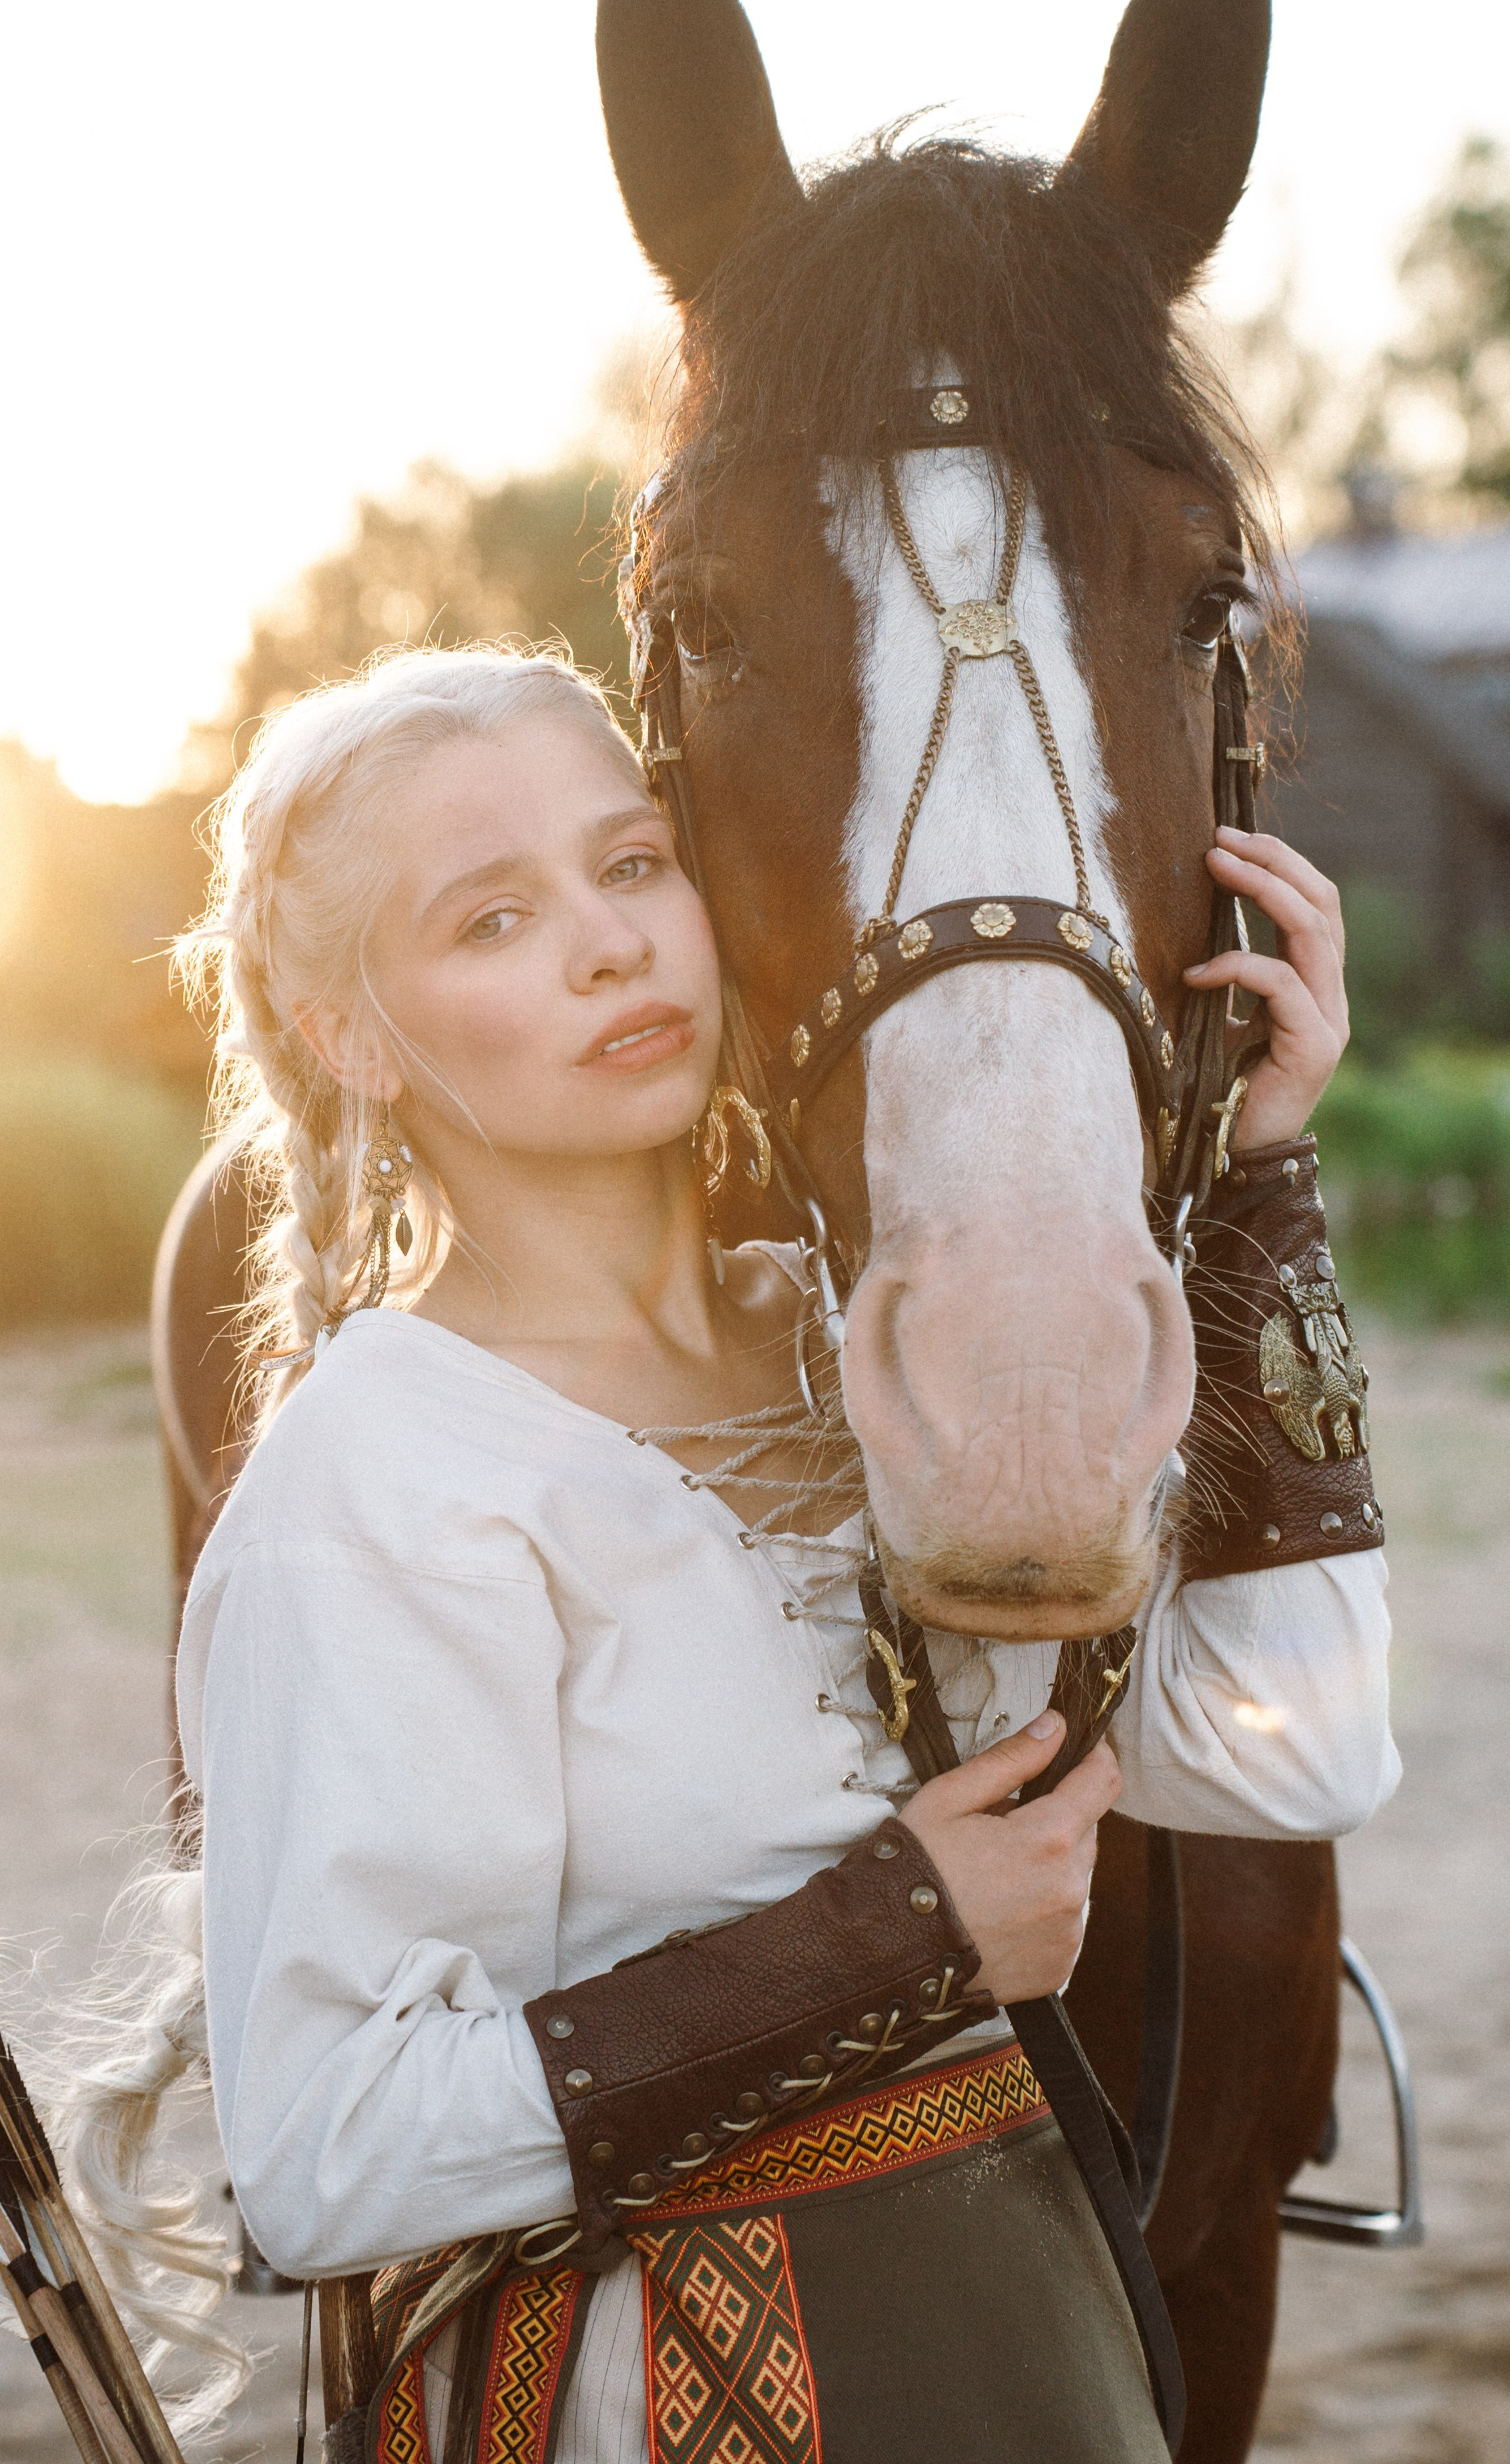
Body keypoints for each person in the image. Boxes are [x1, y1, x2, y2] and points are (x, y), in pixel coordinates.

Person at [161, 642, 1394, 2464]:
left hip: (1035, 2370)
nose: (607, 943)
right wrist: (901, 1941)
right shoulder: (382, 1486)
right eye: (494, 920)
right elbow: (326, 2149)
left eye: (634, 862)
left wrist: (1258, 1177)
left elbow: (1306, 1740)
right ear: (351, 1034)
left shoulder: (874, 1363)